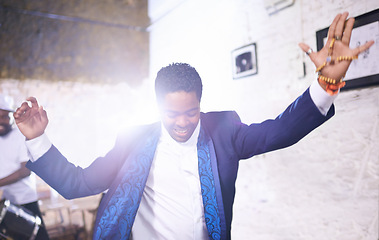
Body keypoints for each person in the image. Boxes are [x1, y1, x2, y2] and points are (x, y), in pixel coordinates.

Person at [13, 12, 373, 240]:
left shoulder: (225, 130)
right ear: (157, 107)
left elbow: (279, 130)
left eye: (192, 112)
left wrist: (326, 85)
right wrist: (38, 139)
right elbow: (77, 184)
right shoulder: (132, 140)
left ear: (201, 103)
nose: (183, 122)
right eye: (172, 115)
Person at [0, 94, 50, 240]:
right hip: (4, 201)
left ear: (12, 117)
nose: (1, 121)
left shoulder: (21, 135)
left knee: (37, 237)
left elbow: (25, 171)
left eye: (5, 117)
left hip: (24, 201)